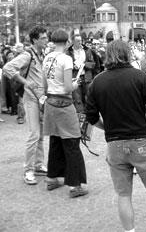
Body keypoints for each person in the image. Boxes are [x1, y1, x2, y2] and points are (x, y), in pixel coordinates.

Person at [85, 40, 146, 232]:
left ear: (108, 55)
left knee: (124, 195)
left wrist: (107, 128)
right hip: (141, 141)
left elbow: (90, 116)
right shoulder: (139, 77)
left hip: (115, 145)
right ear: (127, 54)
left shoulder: (97, 82)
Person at [42, 28, 88, 198]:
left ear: (53, 41)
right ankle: (75, 185)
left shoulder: (47, 58)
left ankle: (52, 178)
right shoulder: (66, 59)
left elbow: (45, 86)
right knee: (72, 143)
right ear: (67, 41)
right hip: (64, 103)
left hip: (50, 103)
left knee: (55, 140)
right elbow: (69, 87)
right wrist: (77, 83)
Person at [3, 26, 49, 185]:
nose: (46, 40)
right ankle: (28, 170)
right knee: (34, 134)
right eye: (43, 38)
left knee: (41, 134)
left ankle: (38, 164)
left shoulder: (41, 54)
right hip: (31, 99)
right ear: (35, 39)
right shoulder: (27, 55)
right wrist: (25, 82)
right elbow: (7, 68)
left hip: (41, 98)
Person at [66, 33, 101, 113]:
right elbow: (65, 65)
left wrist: (84, 65)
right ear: (73, 42)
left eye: (81, 40)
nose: (80, 42)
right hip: (75, 77)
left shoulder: (87, 50)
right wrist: (73, 66)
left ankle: (90, 115)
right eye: (78, 41)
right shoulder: (68, 52)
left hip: (87, 77)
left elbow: (93, 64)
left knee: (88, 97)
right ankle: (81, 116)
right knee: (77, 98)